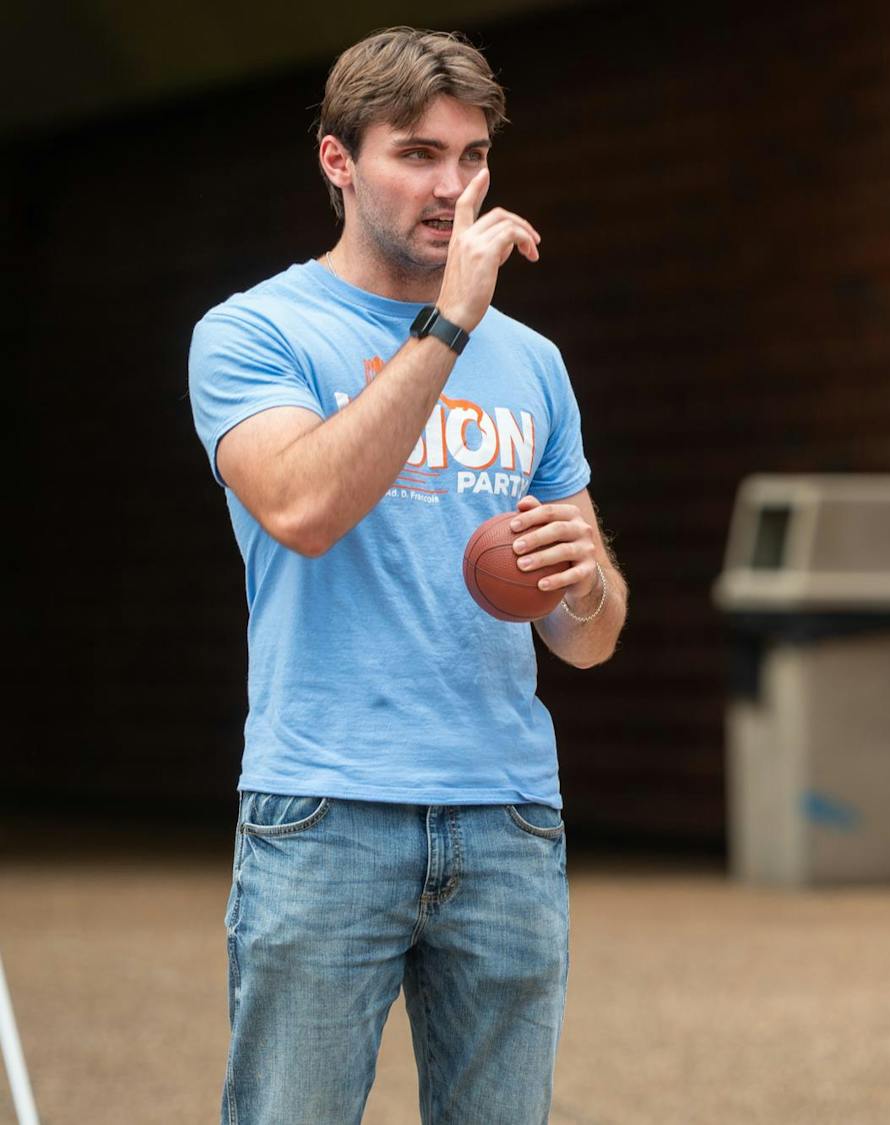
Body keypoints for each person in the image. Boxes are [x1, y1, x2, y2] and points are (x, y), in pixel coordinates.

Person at [187, 27, 627, 1124]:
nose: (454, 187)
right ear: (338, 161)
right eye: (418, 155)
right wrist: (447, 324)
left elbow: (590, 638)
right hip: (327, 807)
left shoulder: (533, 363)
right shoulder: (255, 332)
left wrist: (587, 580)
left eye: (473, 158)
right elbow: (301, 507)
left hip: (508, 816)